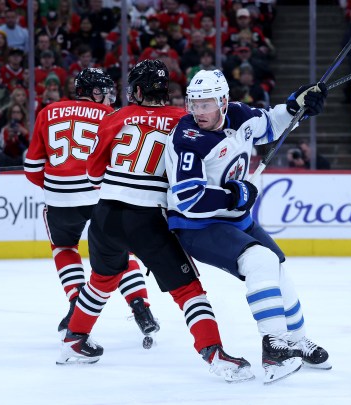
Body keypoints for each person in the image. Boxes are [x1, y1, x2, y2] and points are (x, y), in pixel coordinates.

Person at [57, 60, 254, 384]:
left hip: (105, 214)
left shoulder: (116, 117)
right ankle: (214, 354)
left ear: (136, 90)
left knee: (102, 280)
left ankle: (73, 340)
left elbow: (93, 173)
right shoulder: (185, 120)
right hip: (148, 218)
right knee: (188, 289)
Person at [165, 69, 331, 384]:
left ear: (224, 101)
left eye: (207, 104)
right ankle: (274, 349)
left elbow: (270, 124)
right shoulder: (187, 138)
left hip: (235, 218)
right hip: (197, 226)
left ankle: (295, 342)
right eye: (194, 104)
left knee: (277, 266)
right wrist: (235, 194)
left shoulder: (240, 115)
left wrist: (296, 105)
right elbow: (188, 199)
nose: (199, 111)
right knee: (261, 260)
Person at [24, 68, 159, 343]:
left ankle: (76, 301)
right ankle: (140, 307)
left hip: (59, 197)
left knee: (64, 247)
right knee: (118, 251)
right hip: (100, 194)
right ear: (94, 92)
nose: (109, 97)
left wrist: (54, 186)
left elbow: (31, 167)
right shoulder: (113, 115)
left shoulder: (48, 112)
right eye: (105, 92)